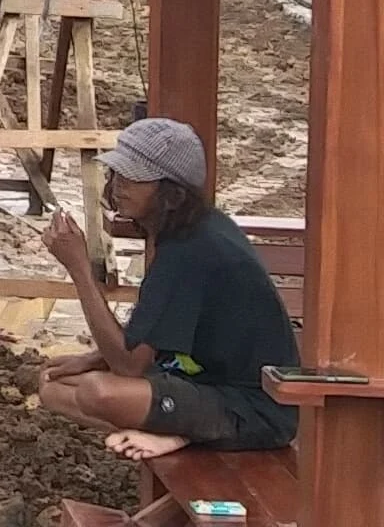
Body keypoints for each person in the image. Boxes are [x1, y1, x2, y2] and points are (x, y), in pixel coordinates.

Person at [35, 117, 299, 461]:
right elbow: (152, 345)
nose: (118, 186)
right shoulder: (191, 231)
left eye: (132, 178)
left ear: (170, 192)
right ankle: (172, 428)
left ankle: (181, 434)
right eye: (116, 174)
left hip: (252, 410)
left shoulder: (190, 251)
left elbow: (130, 367)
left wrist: (80, 270)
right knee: (53, 386)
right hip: (203, 381)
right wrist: (92, 358)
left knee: (98, 391)